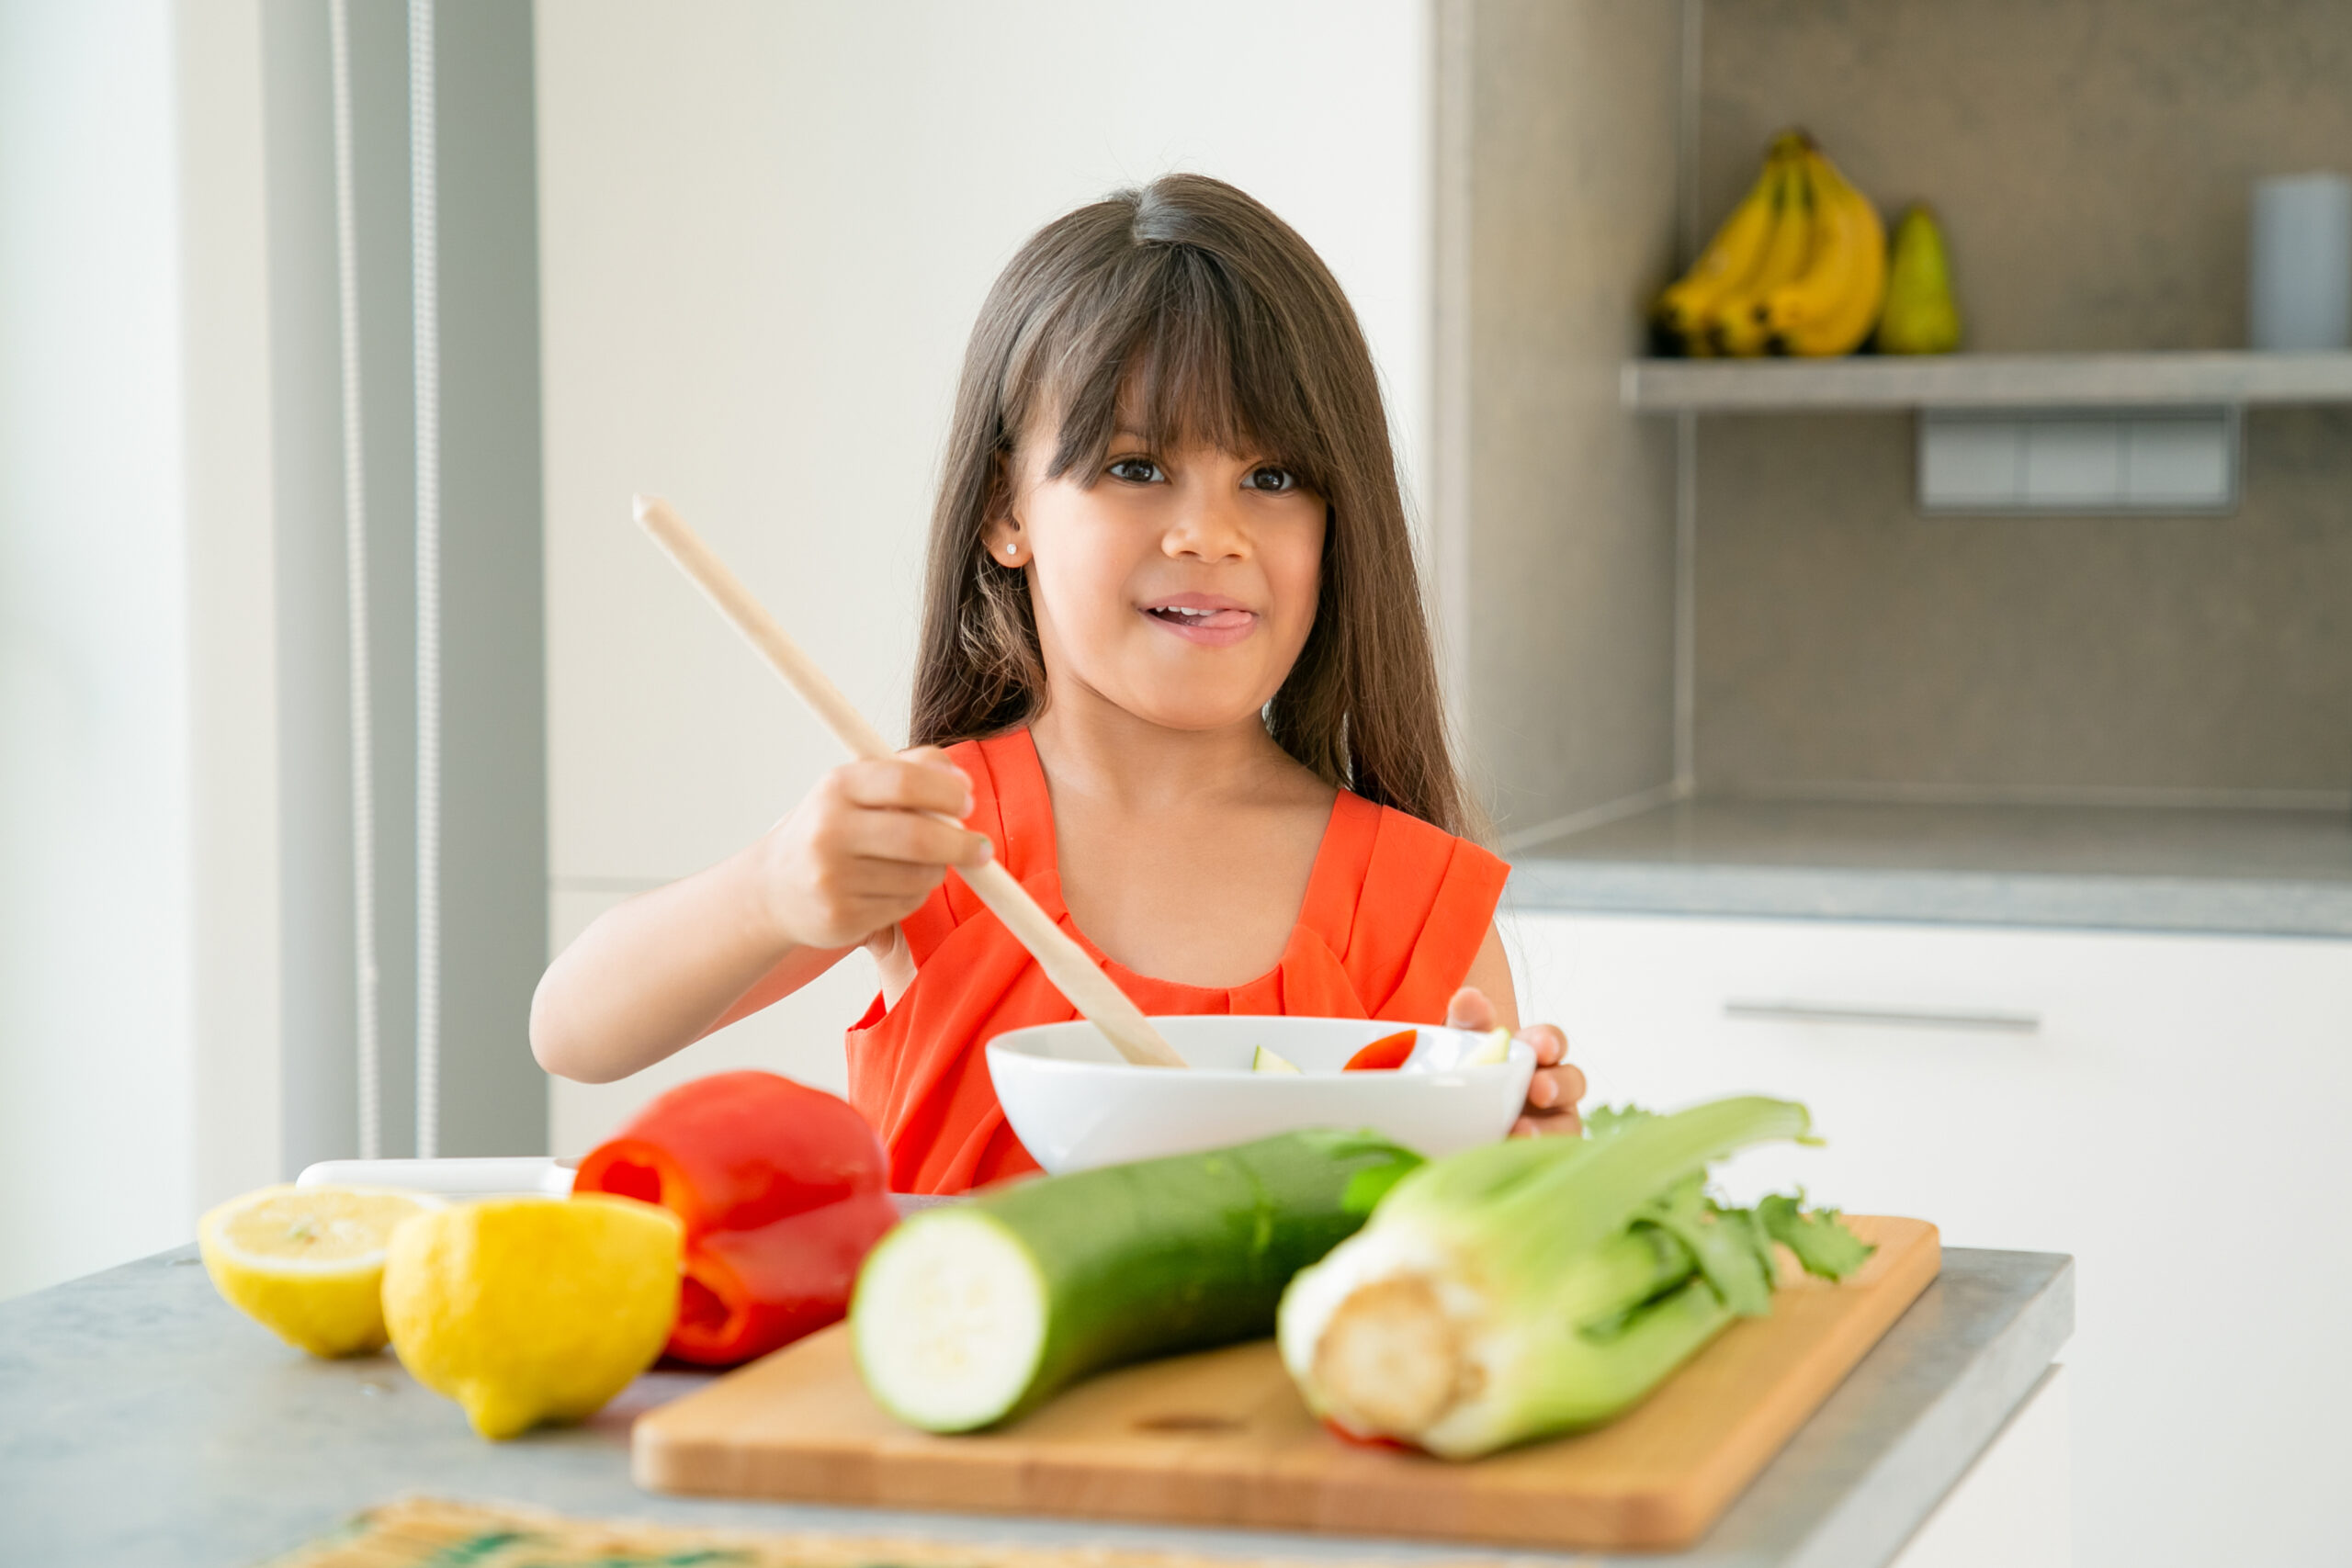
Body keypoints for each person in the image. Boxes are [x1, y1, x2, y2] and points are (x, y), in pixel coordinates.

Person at [531, 174, 1587, 1193]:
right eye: (1135, 467)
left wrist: (1525, 1165)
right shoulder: (933, 829)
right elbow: (572, 1032)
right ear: (1007, 512)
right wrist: (771, 889)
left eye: (1271, 479)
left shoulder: (1408, 896)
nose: (1208, 535)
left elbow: (1468, 1244)